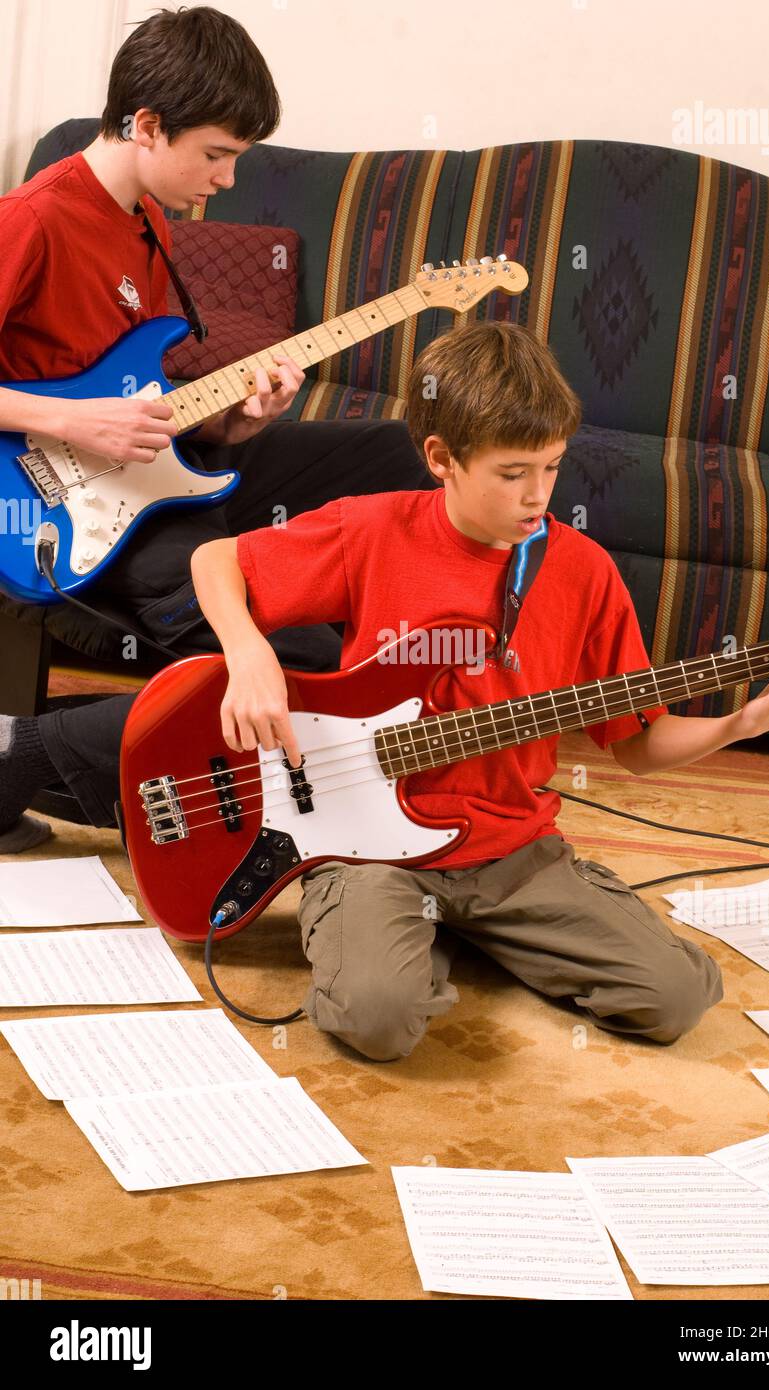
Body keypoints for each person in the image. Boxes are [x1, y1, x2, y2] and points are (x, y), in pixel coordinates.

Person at [180, 321, 769, 1061]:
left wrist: (742, 723)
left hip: (510, 850)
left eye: (551, 467)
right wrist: (247, 651)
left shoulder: (583, 572)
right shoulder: (373, 530)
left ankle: (465, 933)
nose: (537, 495)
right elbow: (214, 560)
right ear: (442, 459)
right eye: (512, 473)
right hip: (368, 851)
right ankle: (414, 938)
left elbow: (639, 747)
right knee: (374, 1021)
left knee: (671, 1000)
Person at [0, 5, 430, 852]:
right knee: (293, 646)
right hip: (58, 502)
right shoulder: (34, 218)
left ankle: (415, 692)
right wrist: (70, 419)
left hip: (157, 465)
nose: (227, 179)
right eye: (218, 154)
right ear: (148, 126)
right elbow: (93, 411)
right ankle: (27, 759)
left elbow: (146, 386)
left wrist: (237, 421)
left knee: (390, 451)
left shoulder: (149, 220)